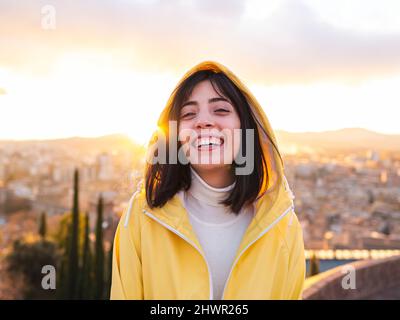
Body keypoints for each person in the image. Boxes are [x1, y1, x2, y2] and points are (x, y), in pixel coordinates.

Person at [110, 61, 305, 300]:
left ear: (246, 126)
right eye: (189, 114)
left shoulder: (282, 225)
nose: (203, 122)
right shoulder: (141, 217)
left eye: (221, 110)